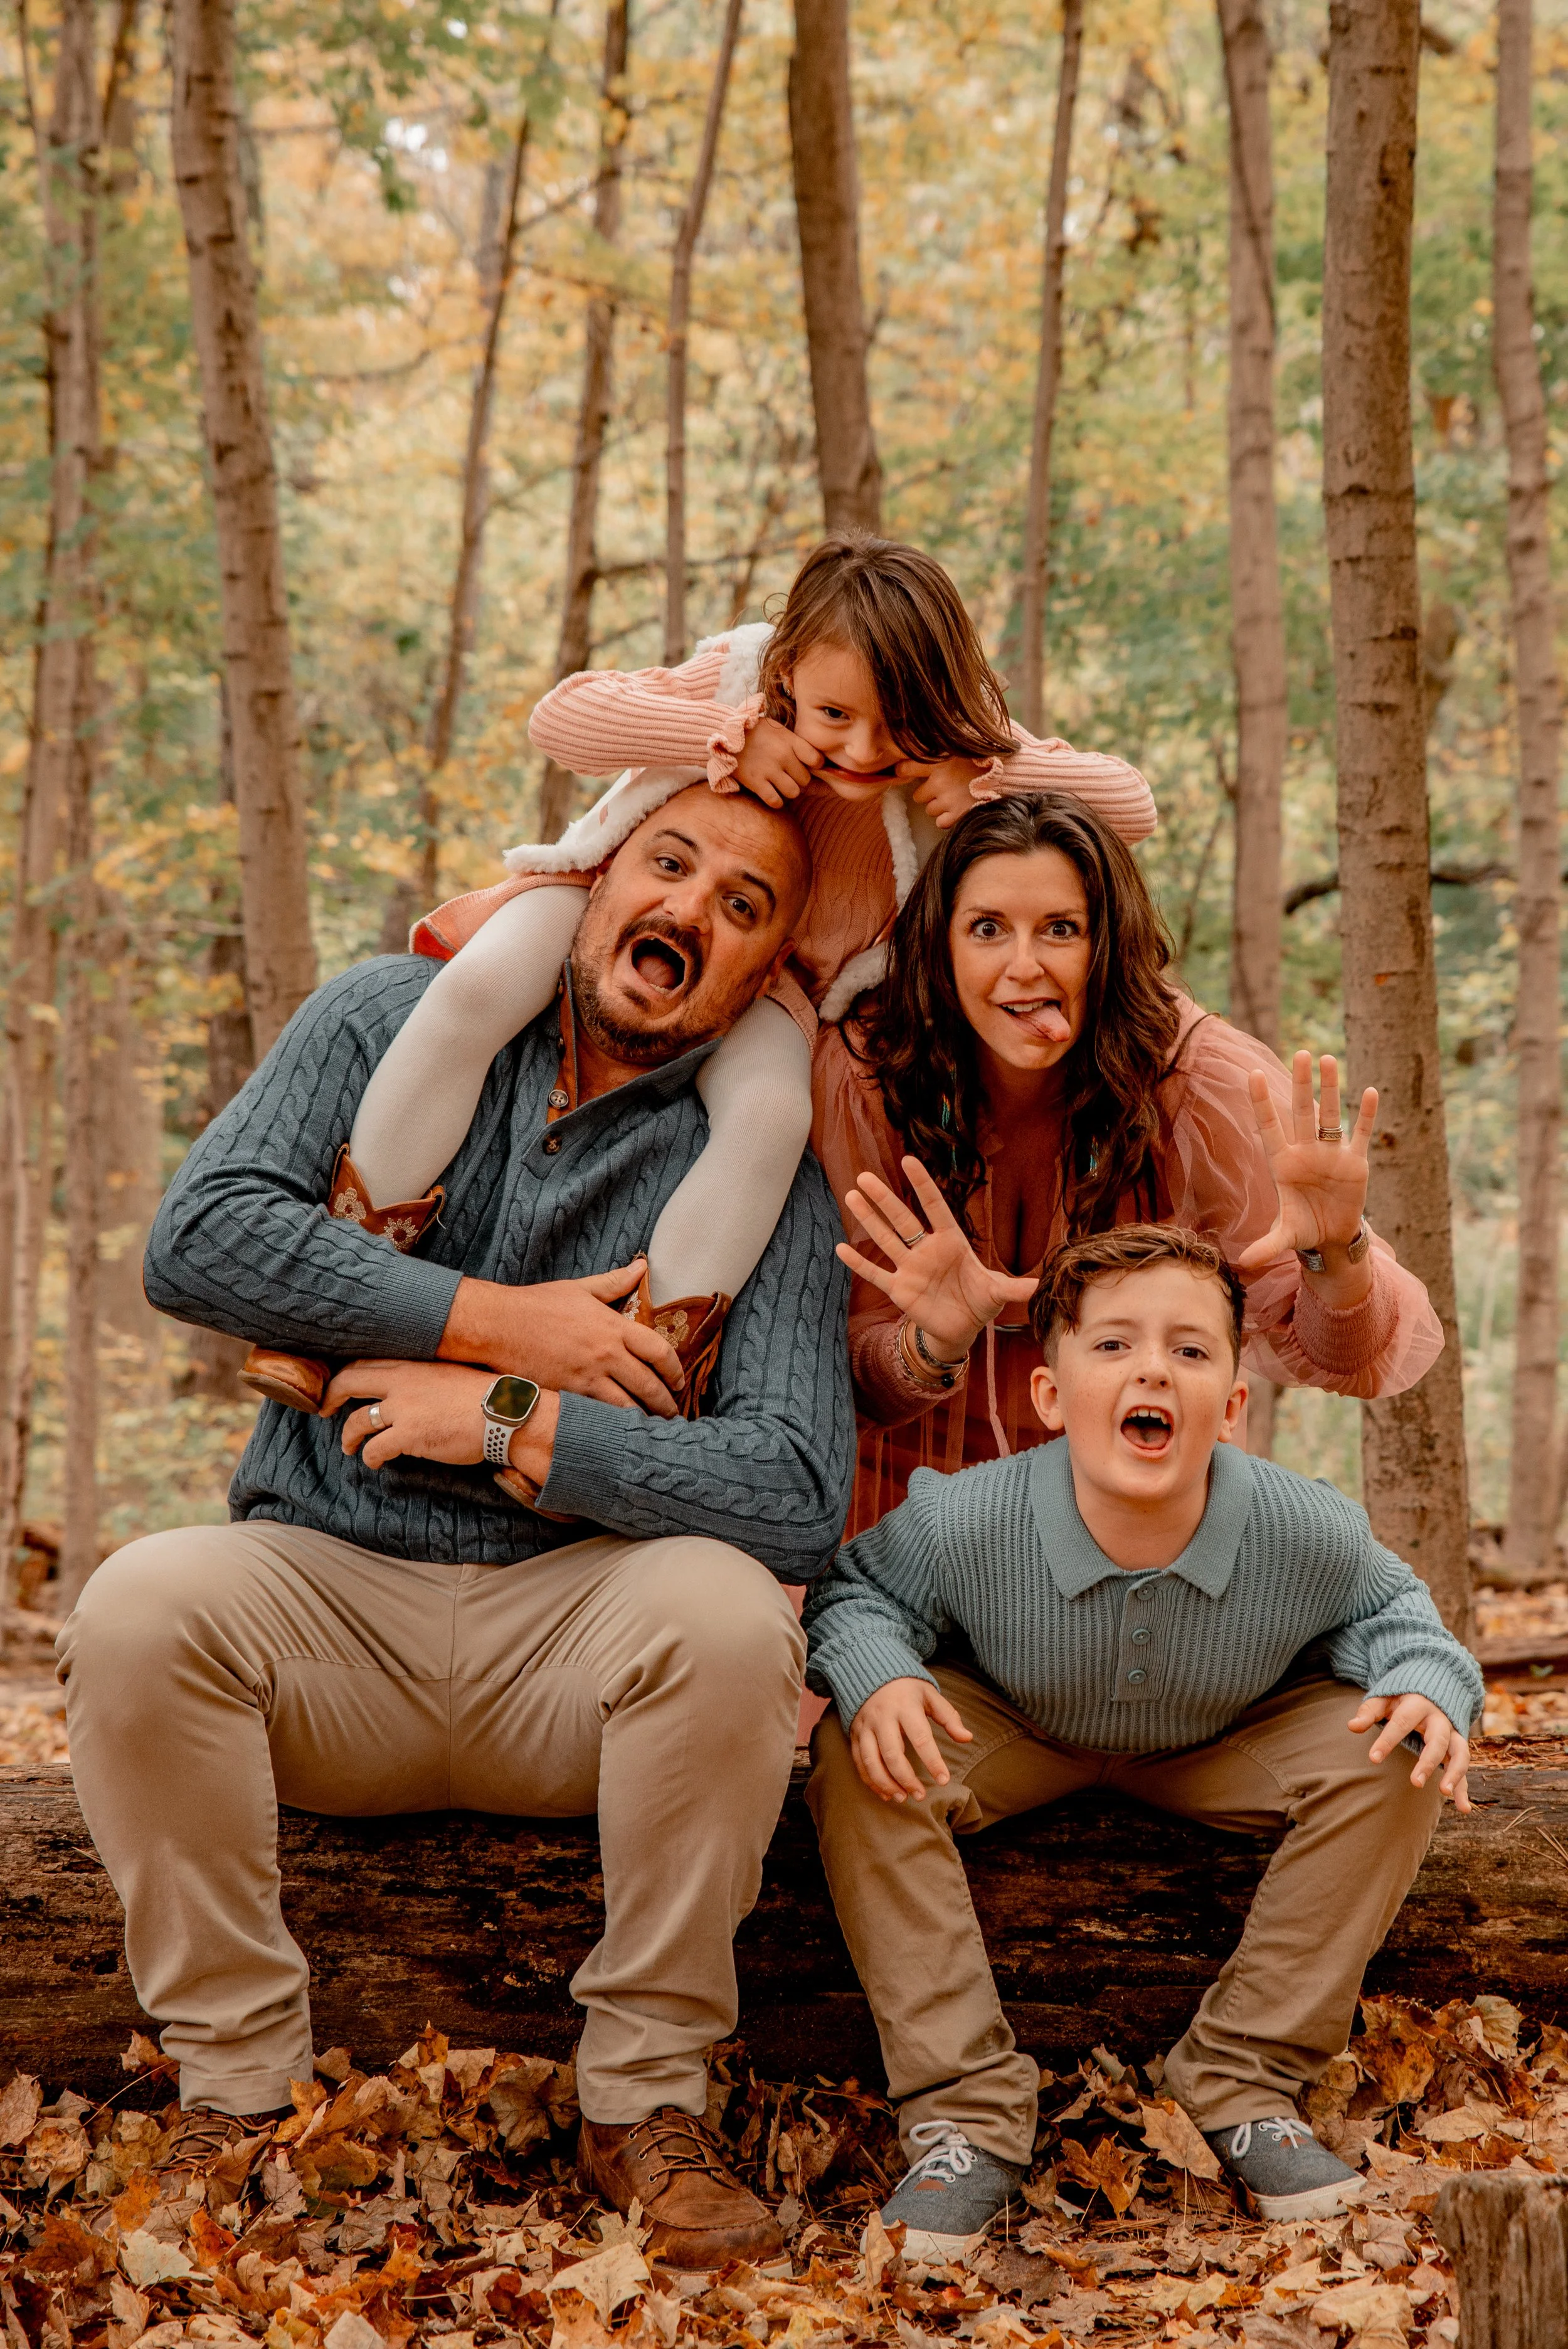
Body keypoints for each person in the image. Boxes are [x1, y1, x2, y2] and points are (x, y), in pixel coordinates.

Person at [58, 785, 854, 2272]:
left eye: (744, 905)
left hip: (573, 1648)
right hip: (324, 1604)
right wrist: (503, 1330)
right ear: (598, 877)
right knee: (136, 1606)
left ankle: (644, 2103)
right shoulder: (385, 1017)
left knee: (732, 1616)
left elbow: (796, 1489)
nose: (689, 909)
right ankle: (233, 2093)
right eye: (669, 866)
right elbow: (203, 1236)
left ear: (764, 973)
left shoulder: (767, 1175)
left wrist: (509, 1423)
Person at [239, 534, 1155, 1416]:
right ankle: (342, 1295)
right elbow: (561, 718)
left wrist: (993, 770)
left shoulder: (959, 733)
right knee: (477, 990)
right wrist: (724, 730)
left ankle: (640, 1371)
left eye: (898, 725)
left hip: (776, 985)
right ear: (789, 667)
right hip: (614, 903)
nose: (867, 752)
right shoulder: (741, 674)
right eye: (835, 716)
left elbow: (1134, 803)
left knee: (770, 1116)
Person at [803, 1223, 1482, 2254]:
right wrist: (880, 1669)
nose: (1152, 1368)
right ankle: (965, 2117)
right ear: (1049, 1395)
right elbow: (856, 1596)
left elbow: (1404, 1621)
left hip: (1220, 1741)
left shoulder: (1307, 1531)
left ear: (1235, 1407)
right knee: (864, 1750)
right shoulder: (965, 1520)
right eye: (1113, 1346)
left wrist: (1433, 1683)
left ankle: (1245, 2074)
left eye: (1192, 1350)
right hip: (1020, 1724)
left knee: (1392, 1750)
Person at [812, 792, 1444, 1535]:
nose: (1024, 965)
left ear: (1105, 944)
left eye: (1061, 929)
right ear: (940, 947)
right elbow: (842, 1383)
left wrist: (1334, 1252)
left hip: (1128, 1535)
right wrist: (931, 1343)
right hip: (901, 1533)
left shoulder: (1193, 1084)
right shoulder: (868, 1076)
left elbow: (1353, 1358)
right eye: (987, 928)